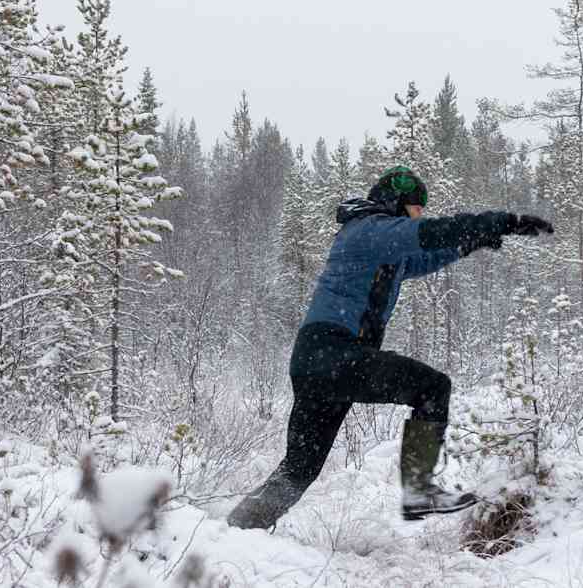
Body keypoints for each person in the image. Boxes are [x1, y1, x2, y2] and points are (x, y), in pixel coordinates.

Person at [227, 165, 554, 529]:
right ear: (396, 202)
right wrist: (502, 221)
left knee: (300, 469)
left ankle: (233, 530)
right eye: (415, 207)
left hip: (316, 362)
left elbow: (426, 256)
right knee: (433, 388)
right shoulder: (369, 230)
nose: (420, 214)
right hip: (333, 354)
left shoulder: (379, 243)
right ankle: (418, 490)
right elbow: (430, 233)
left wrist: (474, 242)